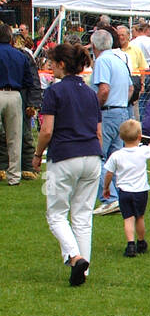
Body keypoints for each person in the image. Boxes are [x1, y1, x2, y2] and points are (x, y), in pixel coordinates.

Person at [34, 42, 101, 285]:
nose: (50, 67)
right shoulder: (91, 94)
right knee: (83, 216)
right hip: (92, 156)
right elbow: (98, 132)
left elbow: (46, 130)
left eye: (52, 63)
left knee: (56, 214)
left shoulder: (55, 91)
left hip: (64, 155)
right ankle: (83, 271)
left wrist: (37, 154)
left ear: (62, 64)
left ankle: (75, 257)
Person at [88, 27, 133, 216]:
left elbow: (104, 89)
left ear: (94, 46)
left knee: (98, 157)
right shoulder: (119, 59)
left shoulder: (102, 61)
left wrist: (94, 107)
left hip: (107, 113)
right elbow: (131, 88)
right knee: (116, 159)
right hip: (122, 111)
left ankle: (109, 198)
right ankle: (120, 197)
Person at [102, 119, 150, 257]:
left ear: (121, 137)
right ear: (140, 137)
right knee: (139, 217)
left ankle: (130, 245)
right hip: (141, 191)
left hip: (124, 192)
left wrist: (106, 188)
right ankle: (141, 242)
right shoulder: (143, 151)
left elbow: (109, 173)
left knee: (128, 218)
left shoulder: (116, 155)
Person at [0, 22, 37, 186]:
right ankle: (14, 176)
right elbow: (29, 80)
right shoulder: (21, 55)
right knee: (15, 136)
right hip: (15, 94)